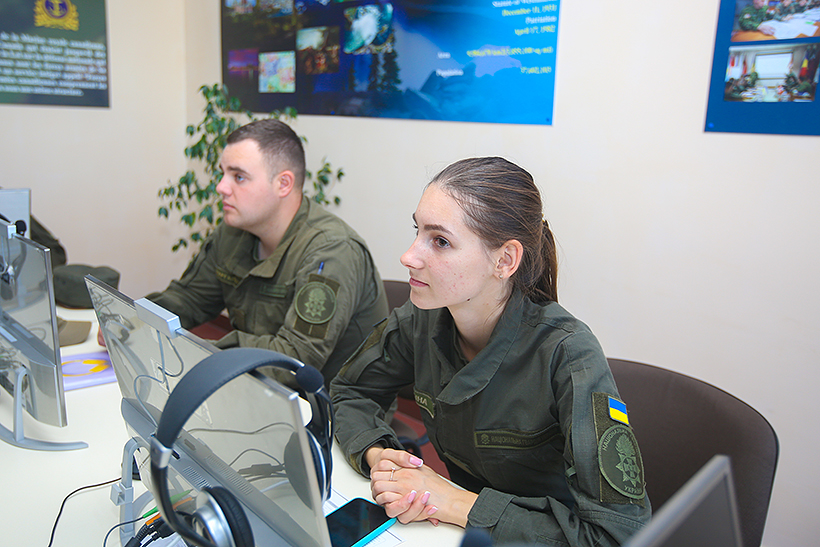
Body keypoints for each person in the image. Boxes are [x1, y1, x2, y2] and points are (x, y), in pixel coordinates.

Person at [330, 157, 651, 545]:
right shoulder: (422, 320)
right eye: (417, 231)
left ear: (504, 260)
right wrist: (380, 455)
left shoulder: (567, 355)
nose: (409, 256)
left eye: (440, 241)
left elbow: (617, 536)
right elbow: (349, 391)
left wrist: (457, 503)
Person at [128, 119, 388, 388]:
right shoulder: (233, 232)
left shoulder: (332, 250)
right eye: (223, 173)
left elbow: (295, 358)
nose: (221, 187)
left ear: (283, 184)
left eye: (238, 177)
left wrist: (201, 355)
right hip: (260, 388)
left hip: (333, 403)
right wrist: (133, 322)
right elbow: (190, 298)